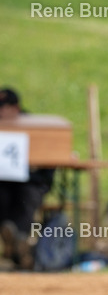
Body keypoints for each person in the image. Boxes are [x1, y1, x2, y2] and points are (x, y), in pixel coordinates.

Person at [0, 87, 54, 270]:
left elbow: (50, 158)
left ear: (16, 108)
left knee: (28, 197)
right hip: (5, 183)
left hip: (31, 182)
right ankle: (13, 240)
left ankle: (19, 240)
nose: (1, 112)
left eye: (4, 107)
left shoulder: (34, 128)